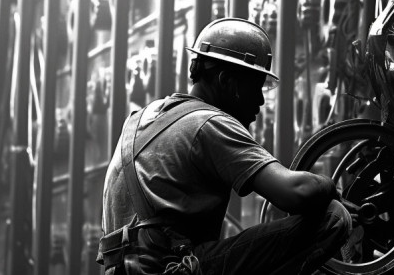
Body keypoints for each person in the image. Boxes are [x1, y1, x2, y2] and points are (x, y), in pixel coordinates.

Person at [98, 18, 351, 275]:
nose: (261, 100)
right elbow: (296, 192)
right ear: (226, 81)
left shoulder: (139, 119)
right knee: (333, 217)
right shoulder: (209, 123)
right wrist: (330, 187)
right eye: (256, 87)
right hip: (175, 269)